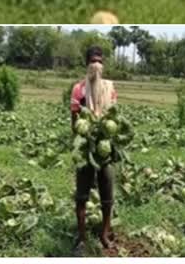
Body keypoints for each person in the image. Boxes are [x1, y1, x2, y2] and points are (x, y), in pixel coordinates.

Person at [70, 46, 118, 254]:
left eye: (100, 61)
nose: (96, 65)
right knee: (81, 195)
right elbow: (74, 121)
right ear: (87, 64)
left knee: (107, 192)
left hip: (104, 149)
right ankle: (81, 237)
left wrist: (104, 134)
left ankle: (104, 233)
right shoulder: (78, 89)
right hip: (86, 146)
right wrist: (85, 134)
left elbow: (114, 117)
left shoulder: (110, 88)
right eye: (93, 61)